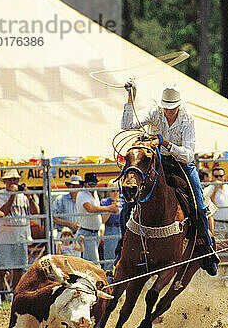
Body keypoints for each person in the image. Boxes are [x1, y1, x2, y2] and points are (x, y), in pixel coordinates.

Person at [120, 81, 219, 276]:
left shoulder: (187, 120)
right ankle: (122, 251)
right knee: (129, 203)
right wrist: (130, 97)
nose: (168, 111)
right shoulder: (154, 111)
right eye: (166, 107)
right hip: (156, 163)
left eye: (172, 108)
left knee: (199, 206)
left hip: (181, 163)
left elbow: (189, 155)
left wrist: (165, 143)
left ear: (178, 106)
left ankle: (206, 247)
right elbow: (127, 125)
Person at [0, 169, 39, 309]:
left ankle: (14, 299)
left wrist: (29, 196)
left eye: (16, 179)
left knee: (19, 270)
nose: (14, 182)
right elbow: (4, 212)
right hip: (5, 238)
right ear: (5, 181)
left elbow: (36, 212)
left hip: (21, 237)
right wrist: (12, 195)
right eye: (11, 179)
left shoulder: (24, 196)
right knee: (1, 270)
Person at [76, 173, 118, 266]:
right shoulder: (82, 194)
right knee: (94, 263)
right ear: (85, 183)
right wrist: (109, 208)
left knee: (90, 262)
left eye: (94, 183)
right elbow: (90, 208)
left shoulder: (93, 193)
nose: (93, 185)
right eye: (90, 183)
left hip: (93, 232)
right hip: (87, 233)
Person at [100, 179, 122, 275]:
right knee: (109, 260)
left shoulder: (124, 201)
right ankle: (108, 285)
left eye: (117, 190)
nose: (115, 193)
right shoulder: (104, 202)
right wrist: (111, 209)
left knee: (123, 259)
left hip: (122, 229)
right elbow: (103, 220)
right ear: (109, 191)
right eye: (113, 190)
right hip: (110, 229)